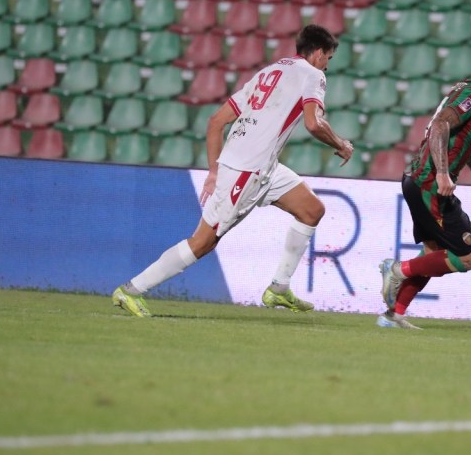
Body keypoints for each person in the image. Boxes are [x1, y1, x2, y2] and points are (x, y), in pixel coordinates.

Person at [112, 24, 355, 318]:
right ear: (318, 54)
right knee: (202, 243)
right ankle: (131, 290)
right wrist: (341, 144)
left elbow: (216, 121)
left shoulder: (269, 72)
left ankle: (278, 289)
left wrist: (214, 171)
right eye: (328, 57)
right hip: (246, 171)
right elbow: (314, 123)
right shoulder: (312, 75)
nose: (327, 65)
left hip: (261, 166)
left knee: (311, 210)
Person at [377, 47, 471, 330]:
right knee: (470, 256)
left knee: (434, 252)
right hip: (430, 184)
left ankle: (393, 316)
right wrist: (444, 173)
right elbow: (439, 126)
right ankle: (396, 269)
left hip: (423, 182)